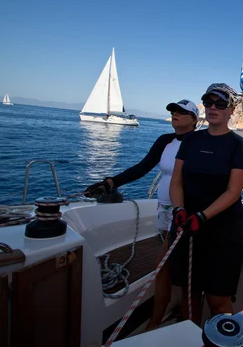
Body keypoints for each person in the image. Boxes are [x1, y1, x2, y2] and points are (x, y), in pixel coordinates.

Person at [83, 99, 199, 330]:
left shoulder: (199, 142)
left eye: (182, 112)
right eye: (173, 111)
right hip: (164, 209)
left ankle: (181, 322)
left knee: (171, 265)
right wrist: (110, 182)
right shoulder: (165, 141)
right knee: (167, 264)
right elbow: (143, 166)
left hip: (185, 212)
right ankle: (165, 314)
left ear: (194, 119)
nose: (175, 114)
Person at [168, 83, 243, 325]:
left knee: (218, 299)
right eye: (208, 101)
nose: (213, 107)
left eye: (221, 103)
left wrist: (202, 217)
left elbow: (233, 191)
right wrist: (179, 209)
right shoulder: (191, 140)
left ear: (231, 110)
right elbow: (176, 181)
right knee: (189, 293)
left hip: (222, 230)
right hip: (187, 224)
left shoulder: (239, 145)